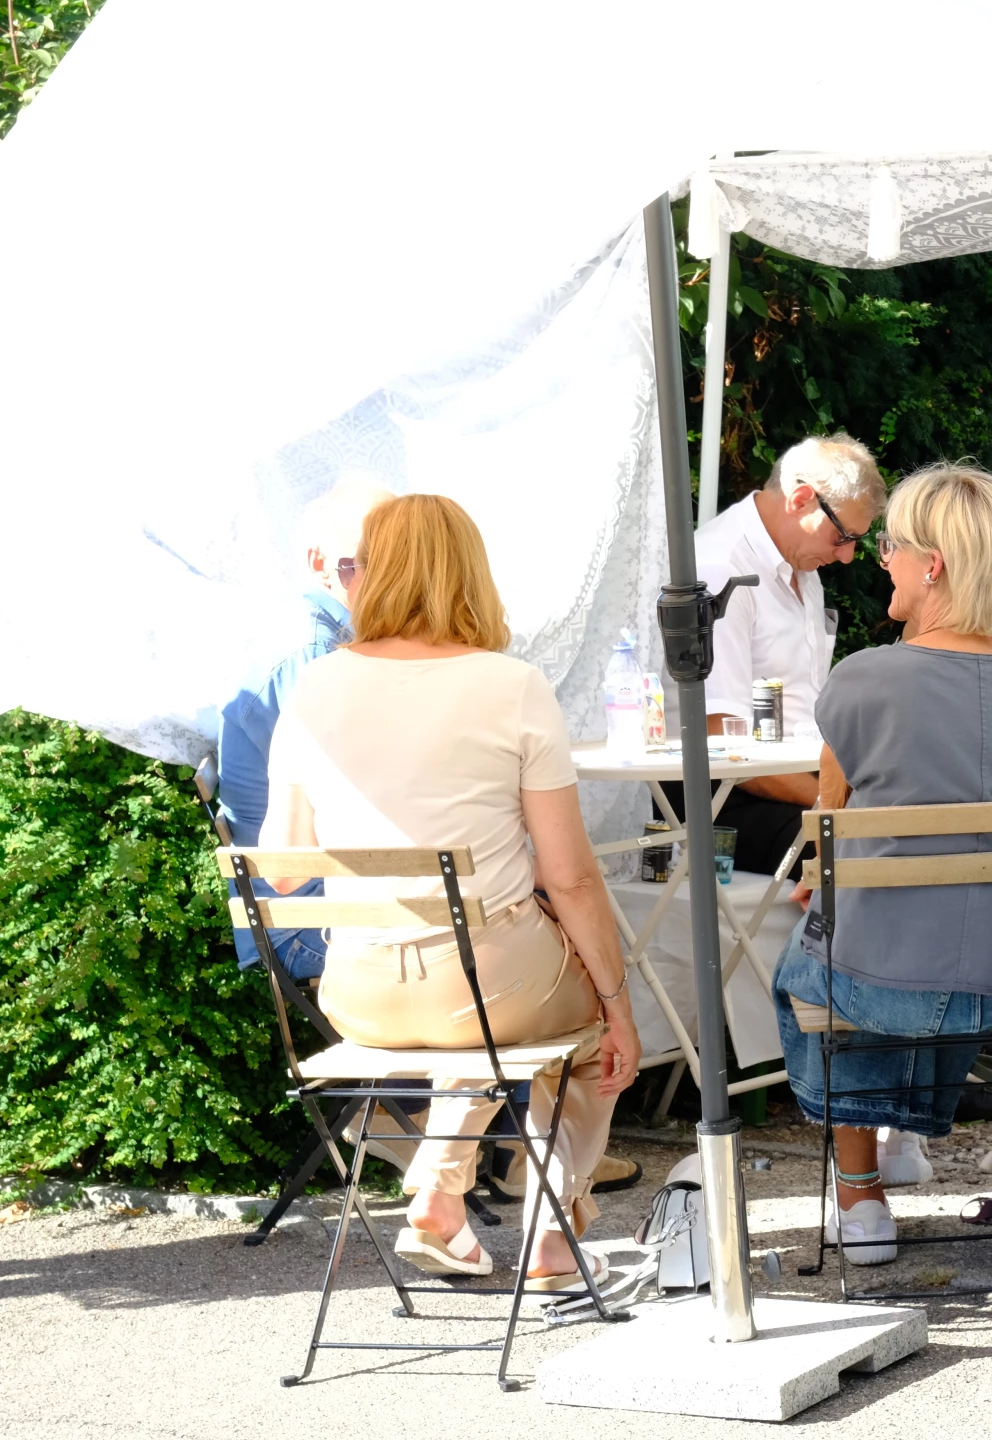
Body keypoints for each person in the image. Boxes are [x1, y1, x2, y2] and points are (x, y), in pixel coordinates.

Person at [266, 494, 641, 1288]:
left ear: (373, 571)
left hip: (357, 991)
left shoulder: (315, 686)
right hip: (486, 986)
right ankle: (550, 1236)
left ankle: (441, 1197)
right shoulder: (512, 686)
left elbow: (283, 869)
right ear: (471, 571)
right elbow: (570, 876)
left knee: (481, 996)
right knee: (584, 1032)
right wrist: (620, 1004)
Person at [774, 466, 992, 1266]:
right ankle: (904, 1136)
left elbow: (830, 817)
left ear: (933, 565)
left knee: (815, 959)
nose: (882, 558)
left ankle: (862, 1199)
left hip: (875, 980)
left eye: (891, 545)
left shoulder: (859, 682)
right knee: (917, 934)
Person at [675, 433, 887, 876]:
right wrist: (830, 804)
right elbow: (721, 741)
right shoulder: (720, 569)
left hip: (797, 784)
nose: (848, 556)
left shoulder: (800, 561)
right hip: (727, 798)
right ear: (801, 500)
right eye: (842, 536)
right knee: (873, 858)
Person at [217, 479, 387, 980]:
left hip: (321, 896)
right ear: (320, 564)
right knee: (514, 913)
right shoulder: (312, 654)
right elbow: (362, 800)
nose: (395, 574)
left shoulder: (328, 631)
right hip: (303, 919)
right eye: (370, 560)